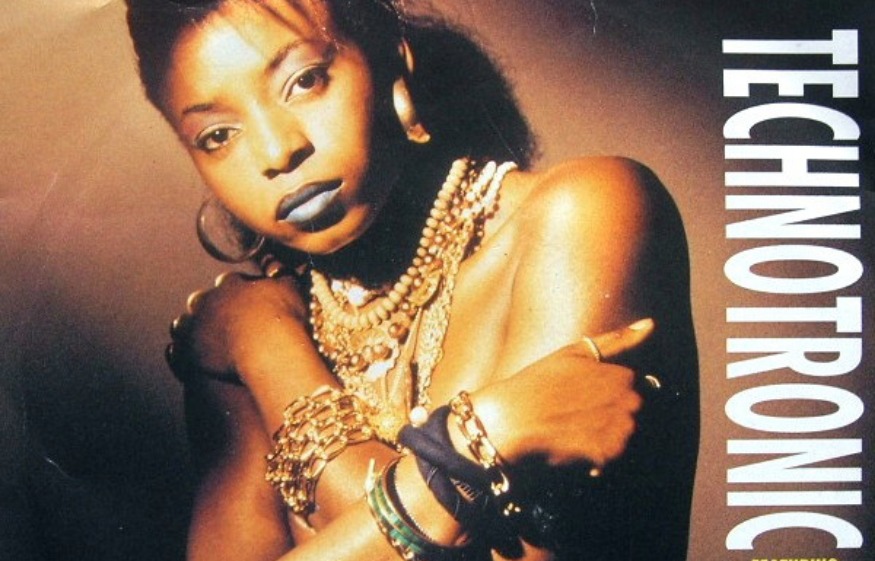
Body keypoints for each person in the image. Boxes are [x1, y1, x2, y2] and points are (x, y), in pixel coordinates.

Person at [125, 1, 699, 560]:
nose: (278, 151)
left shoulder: (586, 213)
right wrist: (472, 447)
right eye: (217, 135)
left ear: (390, 60)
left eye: (305, 81)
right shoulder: (244, 333)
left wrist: (267, 348)